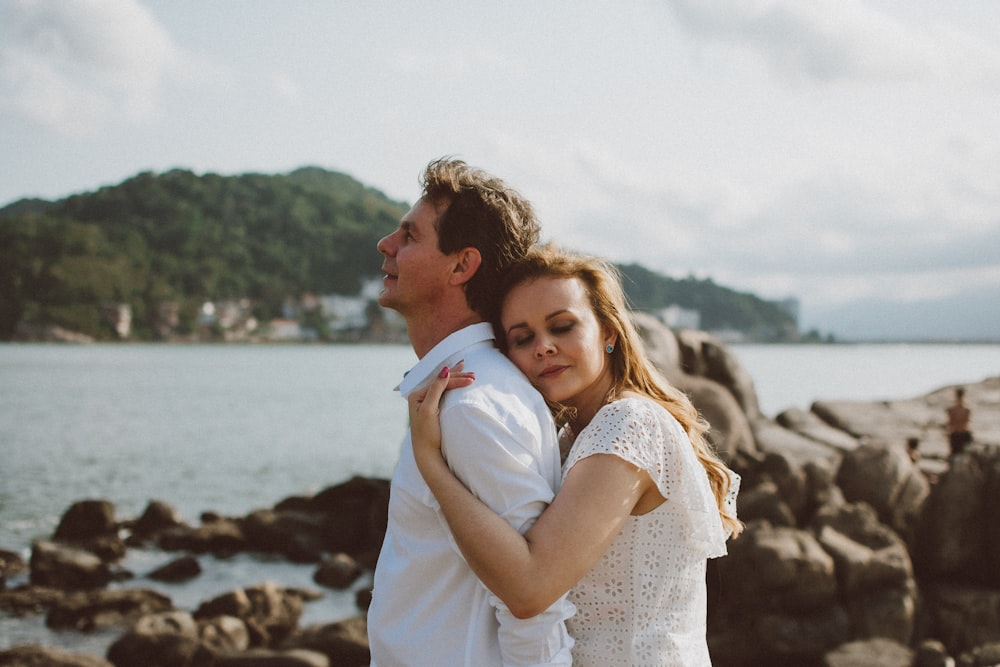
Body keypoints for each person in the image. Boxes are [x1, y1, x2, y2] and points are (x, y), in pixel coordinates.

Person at [409, 244, 742, 666]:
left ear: (608, 333)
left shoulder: (629, 423)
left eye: (562, 327)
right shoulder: (571, 436)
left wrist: (430, 464)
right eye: (523, 338)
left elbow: (530, 589)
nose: (543, 347)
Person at [367, 159, 574, 666]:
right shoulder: (458, 393)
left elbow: (535, 606)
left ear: (462, 266)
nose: (386, 245)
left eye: (409, 236)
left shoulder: (471, 405)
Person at [946, 387, 972, 456]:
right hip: (955, 435)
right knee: (955, 457)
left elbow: (966, 423)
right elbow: (950, 424)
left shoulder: (966, 410)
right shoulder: (952, 410)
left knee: (965, 456)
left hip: (963, 435)